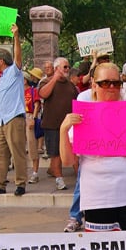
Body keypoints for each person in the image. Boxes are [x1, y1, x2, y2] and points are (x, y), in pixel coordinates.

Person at [59, 63, 126, 231]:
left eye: (116, 83)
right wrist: (63, 130)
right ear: (94, 84)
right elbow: (68, 161)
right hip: (98, 200)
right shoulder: (83, 116)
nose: (111, 87)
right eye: (105, 83)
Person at [0, 23, 29, 197]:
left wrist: (16, 36)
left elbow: (18, 57)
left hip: (14, 118)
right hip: (1, 119)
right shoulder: (1, 78)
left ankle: (20, 182)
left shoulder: (13, 72)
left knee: (17, 151)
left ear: (2, 60)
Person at [38, 57, 78, 191]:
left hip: (70, 126)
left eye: (68, 67)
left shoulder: (71, 85)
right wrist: (54, 79)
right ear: (57, 69)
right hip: (53, 125)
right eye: (65, 67)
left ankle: (80, 176)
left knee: (75, 152)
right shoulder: (46, 81)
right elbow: (43, 94)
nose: (67, 69)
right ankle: (59, 179)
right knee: (55, 154)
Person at [25, 68, 44, 184]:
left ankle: (35, 172)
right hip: (19, 117)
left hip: (29, 116)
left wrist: (34, 117)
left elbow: (37, 104)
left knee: (32, 145)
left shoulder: (33, 91)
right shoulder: (17, 91)